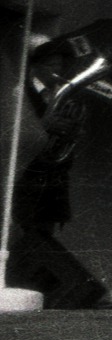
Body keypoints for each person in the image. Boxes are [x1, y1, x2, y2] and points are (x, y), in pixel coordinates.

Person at [15, 38, 90, 240]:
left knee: (44, 244)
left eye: (60, 64)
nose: (58, 70)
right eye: (52, 65)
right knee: (21, 241)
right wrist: (43, 126)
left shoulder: (62, 95)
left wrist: (72, 133)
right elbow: (13, 133)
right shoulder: (20, 93)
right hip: (26, 180)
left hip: (53, 183)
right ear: (36, 66)